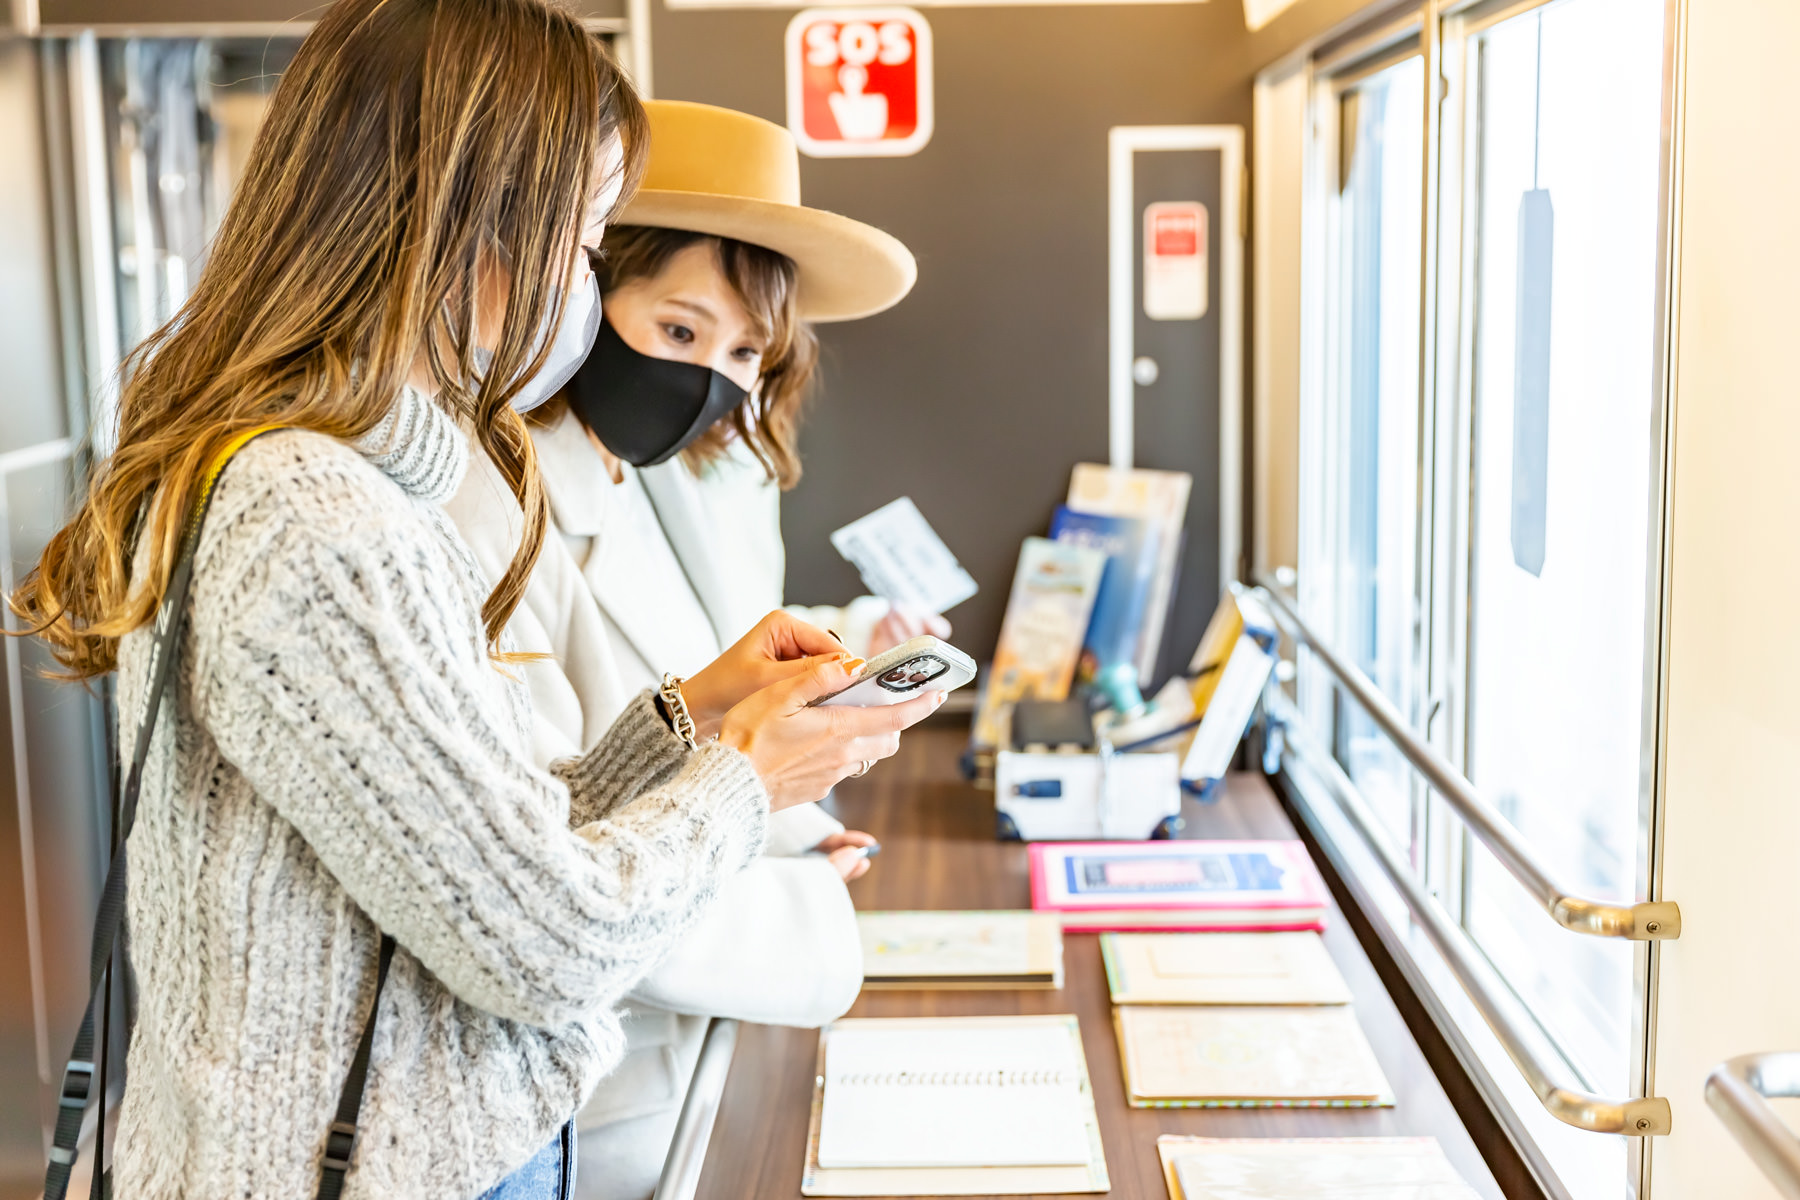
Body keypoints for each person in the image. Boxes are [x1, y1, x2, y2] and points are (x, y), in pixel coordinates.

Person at [7, 8, 938, 1198]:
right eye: (586, 239)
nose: (581, 286)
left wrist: (690, 717)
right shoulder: (317, 520)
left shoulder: (331, 482)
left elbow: (470, 835)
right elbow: (544, 940)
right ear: (461, 222)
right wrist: (744, 778)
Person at [442, 101, 946, 1199]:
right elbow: (542, 845)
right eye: (676, 333)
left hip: (704, 1008)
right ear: (581, 290)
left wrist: (804, 737)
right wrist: (778, 855)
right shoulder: (486, 504)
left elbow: (713, 652)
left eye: (742, 352)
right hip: (597, 1055)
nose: (708, 380)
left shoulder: (696, 473)